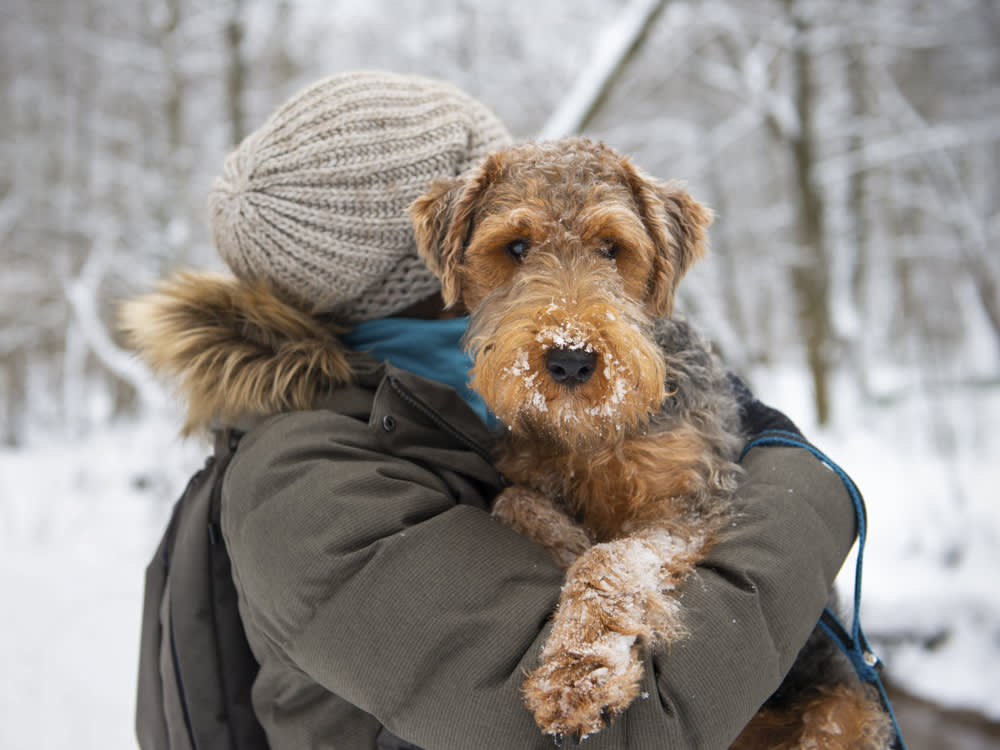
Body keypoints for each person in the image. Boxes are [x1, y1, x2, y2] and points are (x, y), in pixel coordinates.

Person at [123, 71, 858, 749]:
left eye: (607, 250)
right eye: (513, 247)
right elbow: (625, 730)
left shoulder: (453, 406)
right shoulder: (305, 483)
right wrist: (806, 481)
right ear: (437, 258)